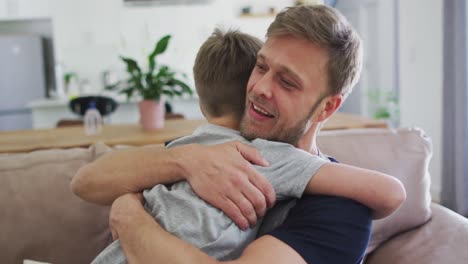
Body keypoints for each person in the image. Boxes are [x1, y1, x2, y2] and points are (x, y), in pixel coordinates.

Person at [72, 5, 405, 264]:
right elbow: (87, 182)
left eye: (287, 82)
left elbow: (391, 193)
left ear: (327, 108)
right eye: (261, 67)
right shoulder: (211, 150)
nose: (259, 89)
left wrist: (128, 218)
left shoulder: (340, 208)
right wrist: (184, 160)